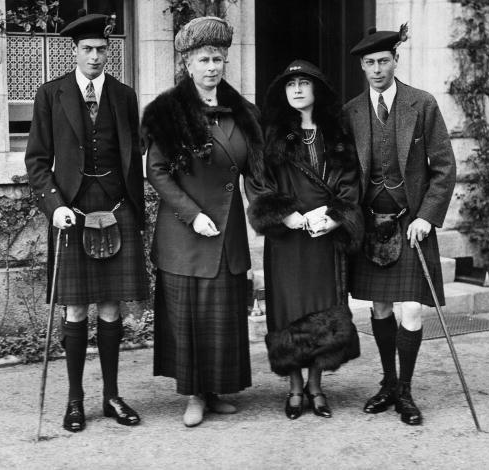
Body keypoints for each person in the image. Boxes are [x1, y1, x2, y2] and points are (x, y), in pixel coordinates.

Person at [25, 11, 149, 432]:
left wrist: (136, 210)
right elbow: (38, 162)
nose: (95, 57)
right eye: (87, 49)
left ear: (108, 51)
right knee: (76, 308)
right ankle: (75, 400)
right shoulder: (50, 94)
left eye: (101, 49)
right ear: (74, 51)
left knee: (112, 305)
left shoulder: (124, 95)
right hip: (70, 214)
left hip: (117, 209)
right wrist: (53, 204)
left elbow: (134, 158)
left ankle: (111, 395)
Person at [141, 16, 263, 428]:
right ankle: (193, 395)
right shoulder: (168, 113)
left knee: (222, 316)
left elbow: (256, 174)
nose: (212, 67)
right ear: (188, 65)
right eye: (203, 60)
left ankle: (214, 390)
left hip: (227, 234)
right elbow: (156, 170)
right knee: (189, 318)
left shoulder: (243, 113)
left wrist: (276, 212)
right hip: (186, 234)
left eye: (217, 59)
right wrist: (192, 216)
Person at [343, 25, 457, 425]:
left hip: (411, 224)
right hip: (372, 225)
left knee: (412, 310)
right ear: (362, 66)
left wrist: (427, 216)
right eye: (369, 63)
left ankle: (405, 392)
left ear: (396, 60)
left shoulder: (421, 105)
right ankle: (388, 384)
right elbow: (343, 173)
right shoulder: (351, 112)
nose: (377, 69)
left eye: (383, 61)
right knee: (379, 307)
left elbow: (444, 168)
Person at [246, 60, 363, 420]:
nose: (296, 90)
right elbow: (257, 182)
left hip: (324, 238)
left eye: (303, 83)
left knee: (323, 306)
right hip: (287, 240)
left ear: (317, 89)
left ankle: (316, 386)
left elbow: (350, 180)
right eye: (290, 84)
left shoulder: (337, 133)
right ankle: (295, 389)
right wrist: (284, 213)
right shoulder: (272, 134)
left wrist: (335, 218)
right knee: (289, 309)